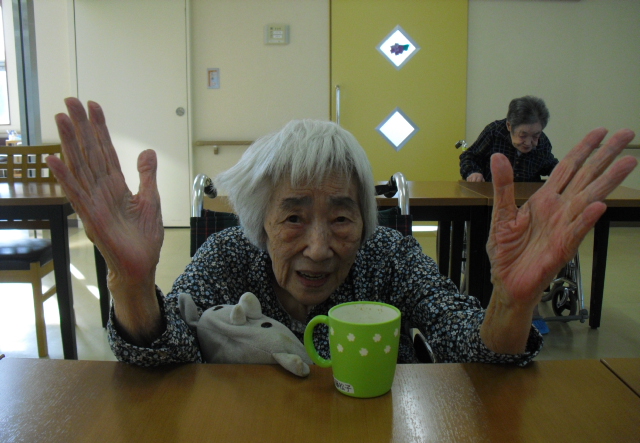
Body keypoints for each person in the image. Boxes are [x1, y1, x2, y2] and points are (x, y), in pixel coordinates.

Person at [46, 98, 637, 367]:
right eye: (293, 216)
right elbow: (163, 353)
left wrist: (510, 301)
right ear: (259, 219)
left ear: (365, 221)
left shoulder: (389, 256)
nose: (319, 247)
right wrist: (130, 282)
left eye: (342, 217)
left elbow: (467, 345)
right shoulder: (229, 255)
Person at [460, 96, 559, 182]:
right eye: (522, 135)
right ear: (509, 126)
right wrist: (473, 172)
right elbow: (470, 156)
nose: (528, 143)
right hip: (492, 194)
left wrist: (563, 175)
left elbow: (550, 166)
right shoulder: (494, 132)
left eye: (535, 136)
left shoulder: (543, 141)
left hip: (527, 196)